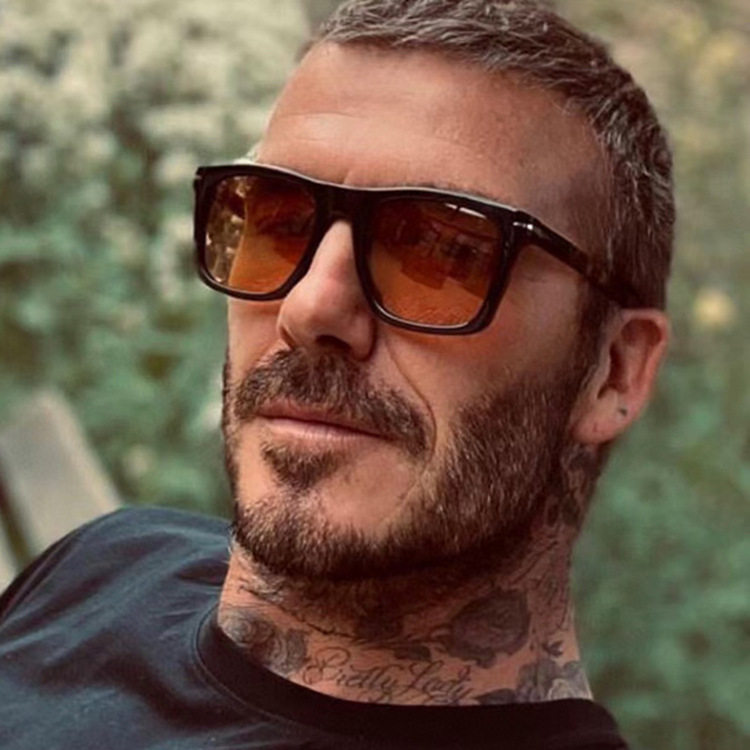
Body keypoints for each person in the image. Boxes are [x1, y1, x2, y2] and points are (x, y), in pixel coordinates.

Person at [0, 0, 674, 747]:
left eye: (442, 249)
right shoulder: (113, 561)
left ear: (614, 371)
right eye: (278, 221)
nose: (310, 307)